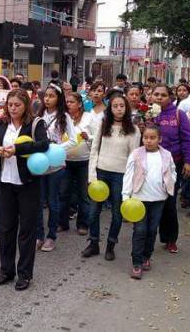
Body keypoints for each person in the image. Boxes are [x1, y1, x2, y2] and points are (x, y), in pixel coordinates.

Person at [0, 89, 49, 291]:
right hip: (5, 182)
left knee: (27, 230)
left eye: (17, 105)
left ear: (26, 106)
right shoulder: (0, 123)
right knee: (6, 228)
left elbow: (43, 145)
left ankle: (24, 274)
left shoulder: (35, 123)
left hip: (28, 183)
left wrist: (17, 149)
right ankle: (6, 270)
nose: (13, 108)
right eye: (10, 104)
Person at [84, 93, 141, 260]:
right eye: (115, 106)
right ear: (110, 108)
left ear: (126, 108)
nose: (118, 109)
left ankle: (110, 244)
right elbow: (94, 151)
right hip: (101, 172)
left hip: (120, 175)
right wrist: (92, 176)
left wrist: (130, 183)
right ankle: (93, 242)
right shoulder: (103, 125)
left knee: (117, 213)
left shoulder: (133, 130)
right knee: (94, 211)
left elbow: (133, 158)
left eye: (122, 106)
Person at [122, 125, 176, 280]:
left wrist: (170, 184)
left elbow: (172, 171)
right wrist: (126, 196)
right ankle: (137, 263)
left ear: (159, 139)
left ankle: (146, 256)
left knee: (152, 230)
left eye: (152, 138)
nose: (149, 141)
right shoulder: (136, 154)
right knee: (140, 231)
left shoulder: (166, 155)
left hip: (158, 199)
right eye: (146, 137)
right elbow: (128, 174)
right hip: (139, 200)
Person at [151, 84, 190, 254]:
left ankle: (170, 238)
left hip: (172, 164)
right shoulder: (147, 113)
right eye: (156, 94)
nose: (159, 97)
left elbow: (188, 139)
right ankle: (149, 237)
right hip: (150, 164)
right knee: (152, 200)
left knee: (169, 202)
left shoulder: (179, 114)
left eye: (163, 95)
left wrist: (189, 161)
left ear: (170, 97)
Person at [36, 83, 78, 252]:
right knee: (38, 201)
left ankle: (51, 236)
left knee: (53, 201)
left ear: (58, 98)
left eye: (51, 96)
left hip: (55, 165)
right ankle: (38, 235)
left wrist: (57, 148)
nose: (47, 99)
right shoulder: (38, 115)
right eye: (45, 96)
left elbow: (73, 140)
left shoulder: (64, 117)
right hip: (38, 163)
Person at [61, 92, 94, 235]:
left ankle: (83, 224)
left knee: (83, 195)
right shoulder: (63, 117)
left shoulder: (88, 117)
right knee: (63, 193)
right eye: (67, 102)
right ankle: (62, 223)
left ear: (79, 104)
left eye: (71, 102)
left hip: (84, 161)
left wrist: (89, 137)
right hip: (65, 161)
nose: (68, 104)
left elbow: (97, 136)